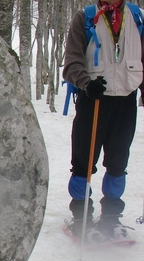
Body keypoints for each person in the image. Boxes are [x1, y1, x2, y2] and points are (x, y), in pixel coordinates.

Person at [62, 0, 144, 240]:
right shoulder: (85, 18)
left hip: (125, 100)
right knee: (84, 162)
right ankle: (81, 217)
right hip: (94, 99)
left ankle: (111, 217)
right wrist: (86, 83)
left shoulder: (138, 18)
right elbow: (72, 62)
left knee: (118, 162)